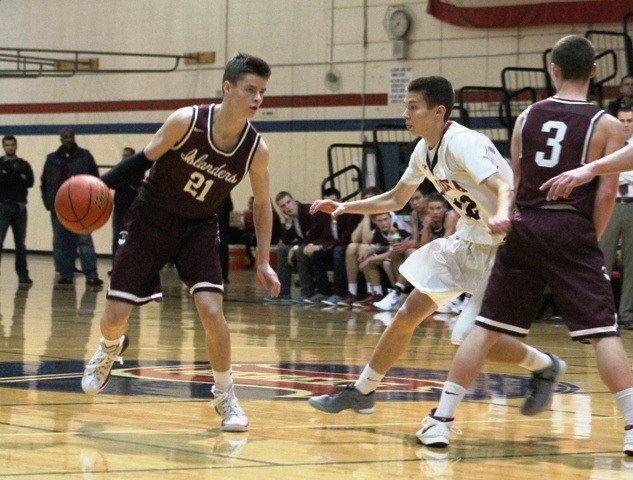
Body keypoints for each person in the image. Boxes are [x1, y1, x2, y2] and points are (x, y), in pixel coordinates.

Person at [421, 36, 633, 456]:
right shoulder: (607, 125)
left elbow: (516, 183)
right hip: (571, 226)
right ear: (594, 71)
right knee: (602, 333)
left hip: (526, 224)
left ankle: (440, 421)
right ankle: (632, 429)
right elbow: (606, 194)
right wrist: (587, 236)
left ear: (552, 69)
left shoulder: (526, 117)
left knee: (484, 330)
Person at [308, 76, 554, 425]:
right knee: (408, 314)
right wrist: (347, 207)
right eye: (405, 106)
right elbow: (396, 198)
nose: (405, 114)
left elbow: (504, 186)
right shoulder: (424, 149)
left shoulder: (463, 143)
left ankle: (545, 365)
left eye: (413, 107)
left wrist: (501, 214)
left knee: (468, 337)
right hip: (468, 240)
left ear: (438, 112)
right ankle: (362, 392)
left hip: (506, 248)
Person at [80, 53, 281, 434]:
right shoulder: (187, 121)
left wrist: (263, 261)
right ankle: (109, 348)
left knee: (211, 311)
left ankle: (226, 396)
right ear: (228, 88)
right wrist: (99, 187)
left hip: (199, 227)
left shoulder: (256, 149)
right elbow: (141, 161)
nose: (257, 99)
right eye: (250, 90)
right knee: (114, 318)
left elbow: (262, 205)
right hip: (150, 219)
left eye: (262, 93)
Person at [41, 127, 104, 286]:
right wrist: (49, 202)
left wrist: (93, 203)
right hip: (58, 208)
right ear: (61, 139)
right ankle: (66, 274)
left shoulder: (85, 156)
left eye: (70, 136)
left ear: (74, 138)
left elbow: (96, 180)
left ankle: (91, 274)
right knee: (61, 242)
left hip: (80, 207)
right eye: (65, 137)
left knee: (84, 241)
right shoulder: (51, 159)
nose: (68, 139)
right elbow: (45, 182)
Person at [599, 108, 633, 328]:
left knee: (631, 264)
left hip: (631, 206)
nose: (626, 124)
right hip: (610, 206)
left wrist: (614, 171)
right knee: (602, 262)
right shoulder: (607, 145)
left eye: (630, 120)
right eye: (622, 120)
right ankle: (602, 315)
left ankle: (627, 315)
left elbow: (609, 172)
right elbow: (599, 172)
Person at [0, 135, 34, 284]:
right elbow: (16, 182)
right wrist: (18, 178)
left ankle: (23, 274)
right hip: (3, 207)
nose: (10, 147)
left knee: (20, 244)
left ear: (16, 146)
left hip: (20, 208)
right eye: (7, 145)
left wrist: (9, 178)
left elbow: (30, 181)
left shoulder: (24, 164)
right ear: (3, 147)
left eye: (12, 145)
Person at [271, 191, 312, 303]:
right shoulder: (291, 218)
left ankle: (307, 293)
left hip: (316, 244)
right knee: (283, 249)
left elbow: (313, 235)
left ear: (294, 201)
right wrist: (288, 223)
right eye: (283, 206)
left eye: (288, 202)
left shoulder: (307, 211)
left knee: (300, 251)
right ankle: (283, 293)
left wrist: (295, 247)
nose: (287, 207)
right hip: (304, 244)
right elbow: (287, 240)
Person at [110, 147, 143, 272]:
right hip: (118, 210)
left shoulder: (138, 169)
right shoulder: (118, 169)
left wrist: (124, 181)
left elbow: (137, 182)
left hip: (133, 211)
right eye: (123, 156)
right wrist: (126, 183)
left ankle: (130, 267)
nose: (124, 158)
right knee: (116, 239)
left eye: (127, 156)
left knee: (131, 240)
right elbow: (112, 183)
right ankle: (116, 266)